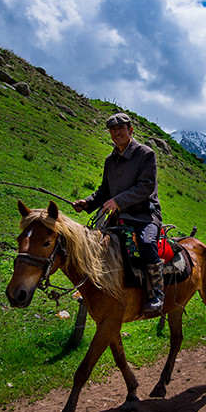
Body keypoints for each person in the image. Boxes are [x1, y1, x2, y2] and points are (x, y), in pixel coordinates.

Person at [72, 113, 164, 314]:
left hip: (144, 216)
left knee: (147, 244)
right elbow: (104, 190)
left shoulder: (145, 154)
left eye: (121, 129)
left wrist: (118, 201)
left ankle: (156, 293)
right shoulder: (110, 160)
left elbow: (146, 187)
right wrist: (86, 203)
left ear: (130, 130)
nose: (117, 133)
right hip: (119, 218)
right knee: (97, 246)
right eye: (113, 130)